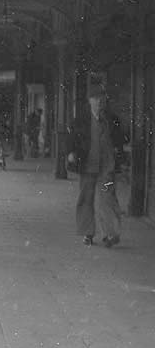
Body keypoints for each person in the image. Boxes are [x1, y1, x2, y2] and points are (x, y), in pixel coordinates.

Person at [66, 87, 127, 247]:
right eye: (95, 99)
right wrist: (71, 152)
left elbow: (121, 139)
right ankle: (88, 233)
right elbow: (71, 138)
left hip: (107, 168)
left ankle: (110, 234)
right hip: (88, 167)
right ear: (89, 101)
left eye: (101, 99)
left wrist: (118, 151)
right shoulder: (81, 120)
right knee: (86, 198)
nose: (99, 102)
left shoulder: (112, 119)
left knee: (108, 197)